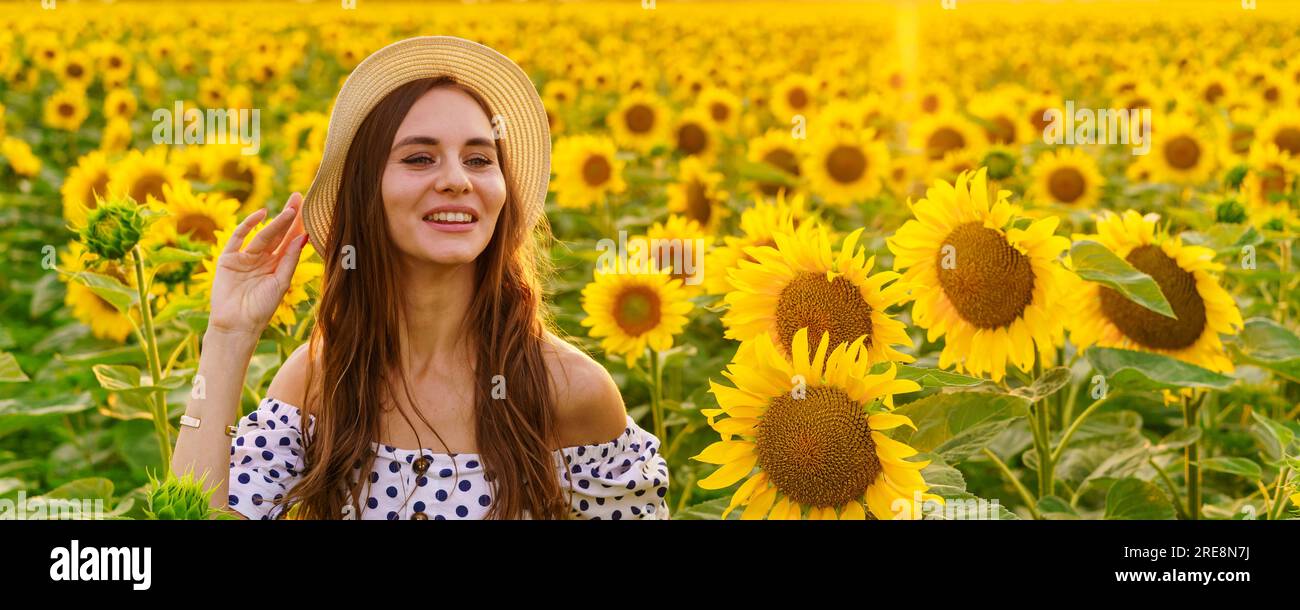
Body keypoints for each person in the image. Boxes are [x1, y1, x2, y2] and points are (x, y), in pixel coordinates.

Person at [170, 36, 669, 520]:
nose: (457, 178)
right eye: (419, 158)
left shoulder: (567, 391)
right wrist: (229, 335)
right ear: (368, 190)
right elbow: (193, 515)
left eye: (479, 159)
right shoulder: (322, 378)